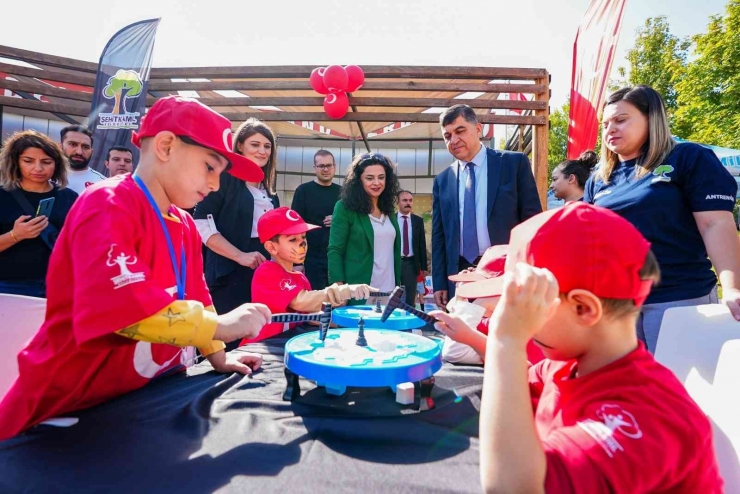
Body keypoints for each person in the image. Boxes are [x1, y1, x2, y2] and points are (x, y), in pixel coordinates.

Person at [0, 96, 272, 441]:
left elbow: (197, 294)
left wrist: (216, 355)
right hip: (62, 411)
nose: (216, 184)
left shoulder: (185, 223)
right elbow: (124, 313)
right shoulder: (108, 203)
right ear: (166, 146)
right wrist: (221, 326)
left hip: (134, 405)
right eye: (209, 167)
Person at [433, 202, 723, 493]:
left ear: (584, 308)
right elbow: (521, 382)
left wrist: (505, 340)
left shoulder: (643, 420)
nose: (505, 314)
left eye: (526, 303)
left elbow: (513, 487)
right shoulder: (568, 365)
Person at [584, 85, 740, 352]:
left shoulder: (688, 157)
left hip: (680, 299)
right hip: (617, 307)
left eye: (621, 120)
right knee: (629, 391)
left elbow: (715, 224)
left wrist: (734, 288)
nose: (610, 129)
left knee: (680, 389)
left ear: (652, 119)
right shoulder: (599, 179)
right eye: (606, 123)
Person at [432, 104, 542, 310]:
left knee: (502, 337)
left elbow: (532, 222)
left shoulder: (513, 164)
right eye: (447, 136)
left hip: (506, 271)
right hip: (460, 274)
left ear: (478, 129)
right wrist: (439, 281)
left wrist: (532, 271)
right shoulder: (443, 180)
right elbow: (439, 236)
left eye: (460, 131)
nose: (453, 140)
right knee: (463, 337)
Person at [194, 118, 280, 343]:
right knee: (227, 341)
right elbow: (201, 223)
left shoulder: (269, 191)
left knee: (257, 338)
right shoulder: (224, 179)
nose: (262, 151)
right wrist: (240, 256)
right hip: (228, 271)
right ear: (239, 145)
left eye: (267, 146)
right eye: (255, 144)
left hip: (261, 272)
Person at [240, 207, 375, 345]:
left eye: (303, 237)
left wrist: (350, 324)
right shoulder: (267, 271)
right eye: (293, 239)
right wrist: (344, 291)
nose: (302, 244)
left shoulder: (299, 277)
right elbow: (301, 301)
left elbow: (309, 315)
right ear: (272, 247)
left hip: (286, 343)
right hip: (261, 348)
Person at [0, 130, 78, 297]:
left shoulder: (69, 197)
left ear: (56, 164)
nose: (38, 168)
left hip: (58, 286)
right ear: (15, 162)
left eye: (46, 161)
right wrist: (15, 235)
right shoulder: (2, 196)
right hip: (7, 286)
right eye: (28, 161)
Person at [439, 245, 544, 366]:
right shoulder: (491, 322)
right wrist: (461, 299)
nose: (477, 295)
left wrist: (480, 304)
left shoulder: (537, 331)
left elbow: (454, 352)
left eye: (483, 288)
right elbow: (455, 346)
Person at [328, 153, 401, 304]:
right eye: (370, 178)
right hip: (360, 291)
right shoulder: (344, 207)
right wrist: (339, 287)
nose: (376, 182)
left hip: (389, 290)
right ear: (358, 180)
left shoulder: (388, 208)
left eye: (381, 177)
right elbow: (335, 250)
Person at [291, 149, 341, 290]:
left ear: (334, 167)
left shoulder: (343, 193)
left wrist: (338, 220)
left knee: (337, 302)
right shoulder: (303, 191)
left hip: (336, 258)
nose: (326, 169)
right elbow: (295, 227)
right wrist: (297, 263)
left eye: (329, 165)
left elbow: (352, 224)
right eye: (321, 166)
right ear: (315, 168)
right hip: (310, 259)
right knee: (314, 305)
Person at [397, 190, 428, 307]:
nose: (408, 203)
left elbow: (422, 244)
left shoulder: (418, 221)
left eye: (410, 200)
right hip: (394, 263)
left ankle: (407, 323)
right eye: (405, 200)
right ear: (397, 202)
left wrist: (424, 267)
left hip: (411, 263)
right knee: (394, 295)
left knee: (410, 297)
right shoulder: (391, 219)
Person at [60, 125, 105, 194]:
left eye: (85, 147)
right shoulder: (45, 177)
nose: (79, 152)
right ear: (60, 147)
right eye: (73, 144)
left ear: (92, 152)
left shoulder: (103, 184)